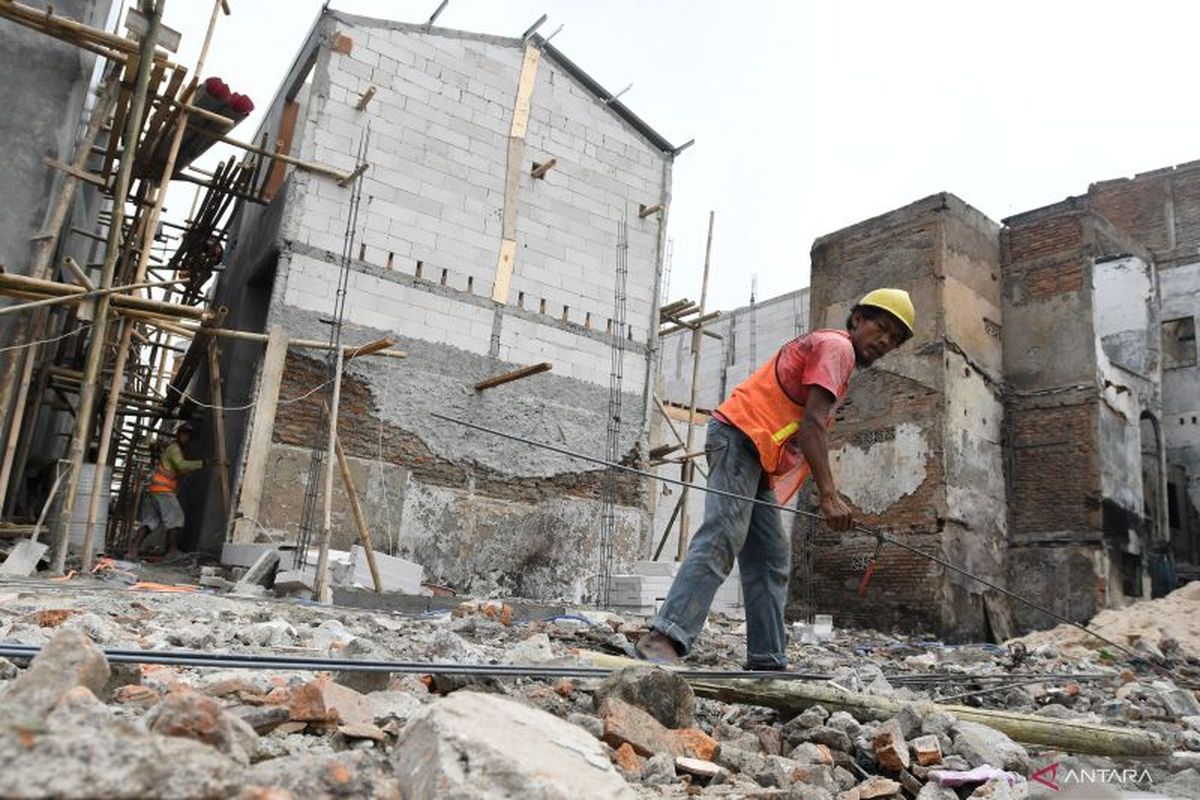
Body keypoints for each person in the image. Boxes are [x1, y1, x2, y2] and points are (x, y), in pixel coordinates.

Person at [636, 289, 916, 669]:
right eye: (880, 328)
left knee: (770, 559)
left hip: (758, 452)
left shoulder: (839, 361)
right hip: (739, 434)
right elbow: (812, 425)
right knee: (722, 535)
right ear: (856, 321)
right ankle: (663, 637)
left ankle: (767, 660)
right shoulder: (838, 348)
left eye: (894, 339)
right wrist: (829, 496)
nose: (884, 341)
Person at [128, 421, 209, 561]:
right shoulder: (174, 449)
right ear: (178, 434)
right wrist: (203, 463)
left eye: (188, 436)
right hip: (162, 491)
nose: (186, 438)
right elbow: (181, 465)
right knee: (176, 517)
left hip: (155, 490)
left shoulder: (174, 449)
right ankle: (172, 551)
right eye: (184, 434)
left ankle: (133, 550)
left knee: (150, 522)